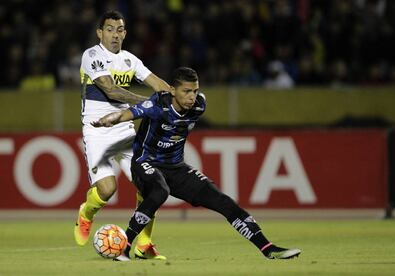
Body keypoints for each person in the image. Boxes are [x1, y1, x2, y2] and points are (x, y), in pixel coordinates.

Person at [92, 67, 301, 261]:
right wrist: (110, 119)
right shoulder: (158, 104)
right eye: (186, 91)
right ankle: (125, 246)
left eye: (195, 90)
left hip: (176, 168)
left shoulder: (199, 105)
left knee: (223, 201)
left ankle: (267, 248)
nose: (192, 96)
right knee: (159, 191)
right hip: (145, 162)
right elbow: (130, 113)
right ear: (172, 90)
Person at [74, 10, 170, 260]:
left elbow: (157, 82)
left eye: (119, 30)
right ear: (99, 32)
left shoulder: (130, 60)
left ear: (125, 33)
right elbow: (111, 90)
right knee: (107, 190)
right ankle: (86, 213)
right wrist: (148, 104)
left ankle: (144, 244)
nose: (115, 35)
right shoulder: (91, 55)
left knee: (150, 186)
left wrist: (177, 97)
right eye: (109, 29)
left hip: (125, 131)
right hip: (97, 131)